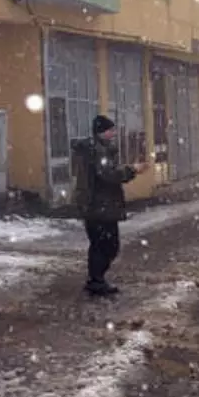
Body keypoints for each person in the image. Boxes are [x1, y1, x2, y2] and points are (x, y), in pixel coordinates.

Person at [73, 115, 149, 296]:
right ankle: (96, 281)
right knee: (107, 245)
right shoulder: (98, 151)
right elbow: (108, 175)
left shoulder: (95, 150)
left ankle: (95, 279)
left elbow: (104, 173)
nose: (113, 133)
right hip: (100, 206)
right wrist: (132, 170)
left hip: (96, 206)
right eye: (110, 130)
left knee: (100, 245)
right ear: (101, 132)